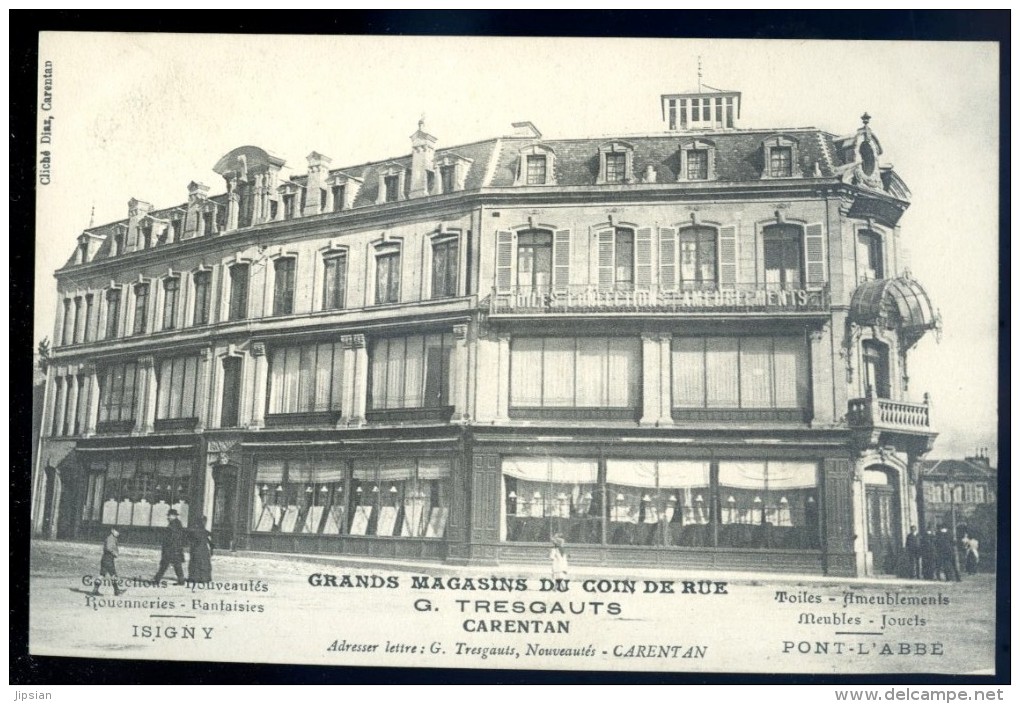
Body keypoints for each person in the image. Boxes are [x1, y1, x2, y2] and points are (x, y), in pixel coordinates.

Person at [153, 508, 188, 585]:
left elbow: (173, 537)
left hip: (172, 548)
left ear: (174, 516)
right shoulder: (176, 523)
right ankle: (181, 580)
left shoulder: (174, 524)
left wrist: (168, 546)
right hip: (175, 548)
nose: (168, 517)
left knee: (166, 564)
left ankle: (157, 580)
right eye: (168, 515)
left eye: (169, 515)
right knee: (175, 565)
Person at [92, 528, 126, 596]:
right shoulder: (111, 538)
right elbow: (108, 548)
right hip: (108, 558)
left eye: (118, 532)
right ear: (112, 530)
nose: (118, 533)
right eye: (117, 531)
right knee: (113, 574)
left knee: (102, 575)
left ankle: (95, 590)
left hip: (105, 558)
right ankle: (117, 591)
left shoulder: (112, 538)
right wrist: (115, 553)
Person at [187, 516, 214, 584]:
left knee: (197, 563)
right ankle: (203, 578)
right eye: (203, 521)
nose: (204, 523)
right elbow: (210, 541)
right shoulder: (203, 531)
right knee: (202, 563)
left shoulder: (196, 530)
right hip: (201, 549)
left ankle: (196, 578)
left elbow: (192, 539)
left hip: (198, 549)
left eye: (205, 521)